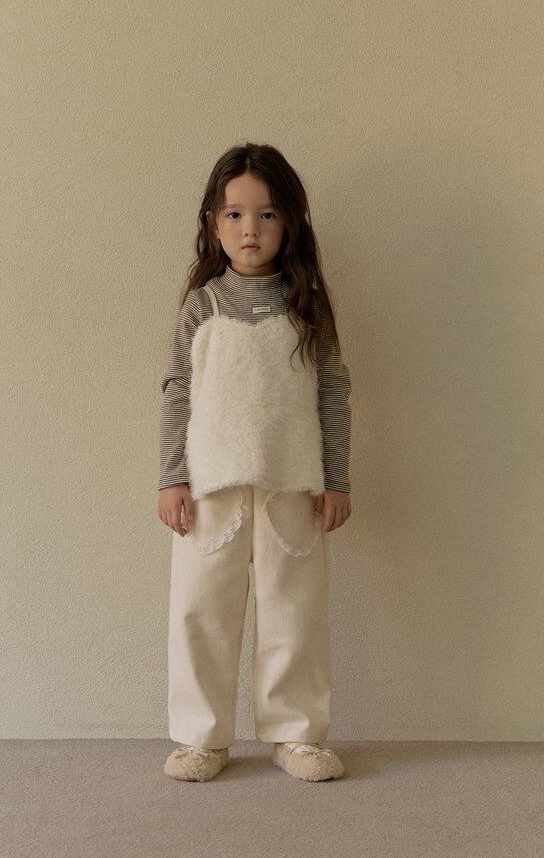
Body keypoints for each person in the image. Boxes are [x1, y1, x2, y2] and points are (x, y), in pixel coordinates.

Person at [157, 142, 352, 782]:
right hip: (209, 486)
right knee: (201, 610)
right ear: (214, 224)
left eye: (266, 214)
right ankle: (201, 737)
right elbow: (178, 390)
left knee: (294, 611)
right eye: (235, 214)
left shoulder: (307, 305)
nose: (250, 229)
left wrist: (336, 479)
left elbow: (333, 392)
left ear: (289, 221)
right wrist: (172, 477)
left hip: (292, 483)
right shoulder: (203, 305)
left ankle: (296, 733)